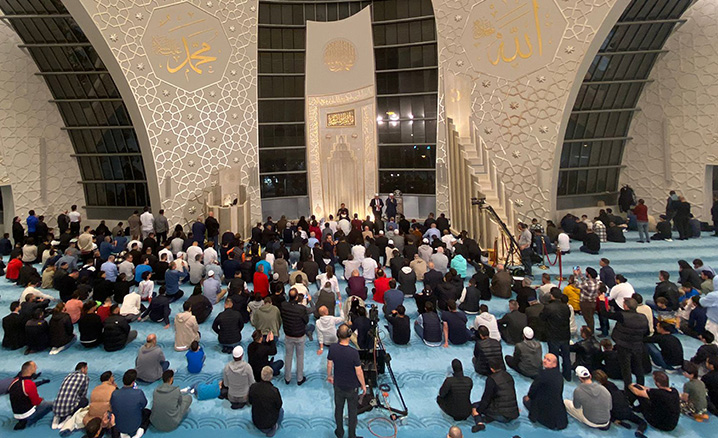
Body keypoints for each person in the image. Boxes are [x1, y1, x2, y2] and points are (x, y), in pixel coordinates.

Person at [598, 295, 648, 389]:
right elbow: (646, 332)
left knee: (626, 369)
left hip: (623, 345)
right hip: (637, 345)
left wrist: (601, 301)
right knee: (638, 367)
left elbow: (605, 313)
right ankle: (641, 388)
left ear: (626, 306)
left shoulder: (622, 315)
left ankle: (628, 389)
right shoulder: (643, 317)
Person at [327, 324, 367, 438]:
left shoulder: (333, 348)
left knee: (338, 409)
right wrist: (363, 385)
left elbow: (329, 364)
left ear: (338, 335)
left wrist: (329, 376)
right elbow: (359, 372)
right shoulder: (353, 352)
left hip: (338, 385)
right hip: (352, 387)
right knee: (352, 412)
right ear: (349, 335)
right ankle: (352, 435)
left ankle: (339, 432)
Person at [469, 357, 519, 432]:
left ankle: (479, 423)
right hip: (514, 413)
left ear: (491, 368)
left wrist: (479, 411)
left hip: (502, 415)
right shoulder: (508, 375)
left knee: (475, 406)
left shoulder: (491, 380)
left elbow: (486, 399)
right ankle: (490, 417)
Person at [523, 354, 568, 430]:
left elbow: (533, 389)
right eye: (544, 358)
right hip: (559, 412)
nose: (544, 361)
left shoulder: (542, 375)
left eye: (548, 360)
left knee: (525, 400)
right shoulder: (559, 375)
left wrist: (529, 397)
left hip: (546, 411)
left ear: (554, 364)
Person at [9, 361, 53, 430]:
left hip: (17, 415)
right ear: (31, 370)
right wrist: (41, 399)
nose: (36, 368)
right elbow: (36, 402)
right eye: (35, 367)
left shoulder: (14, 382)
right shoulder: (29, 384)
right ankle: (29, 421)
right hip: (28, 414)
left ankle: (23, 420)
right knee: (52, 404)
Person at [541, 288, 572, 381]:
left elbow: (542, 317)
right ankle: (568, 375)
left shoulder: (548, 307)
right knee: (566, 356)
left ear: (552, 296)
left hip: (553, 335)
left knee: (554, 357)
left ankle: (555, 376)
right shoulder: (566, 307)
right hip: (565, 334)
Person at [110, 369, 151, 438]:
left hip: (119, 426)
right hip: (135, 425)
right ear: (133, 382)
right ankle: (139, 434)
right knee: (147, 412)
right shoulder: (138, 393)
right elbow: (144, 405)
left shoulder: (114, 394)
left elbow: (112, 406)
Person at [248, 366, 284, 437]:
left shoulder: (253, 387)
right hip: (269, 424)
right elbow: (279, 405)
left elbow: (250, 401)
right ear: (271, 377)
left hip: (256, 421)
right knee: (281, 411)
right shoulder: (274, 391)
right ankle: (274, 426)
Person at [52, 362, 90, 428]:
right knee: (85, 401)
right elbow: (83, 394)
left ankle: (57, 417)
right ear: (83, 369)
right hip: (68, 408)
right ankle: (69, 417)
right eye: (86, 369)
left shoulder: (68, 376)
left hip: (55, 407)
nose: (87, 371)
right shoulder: (85, 377)